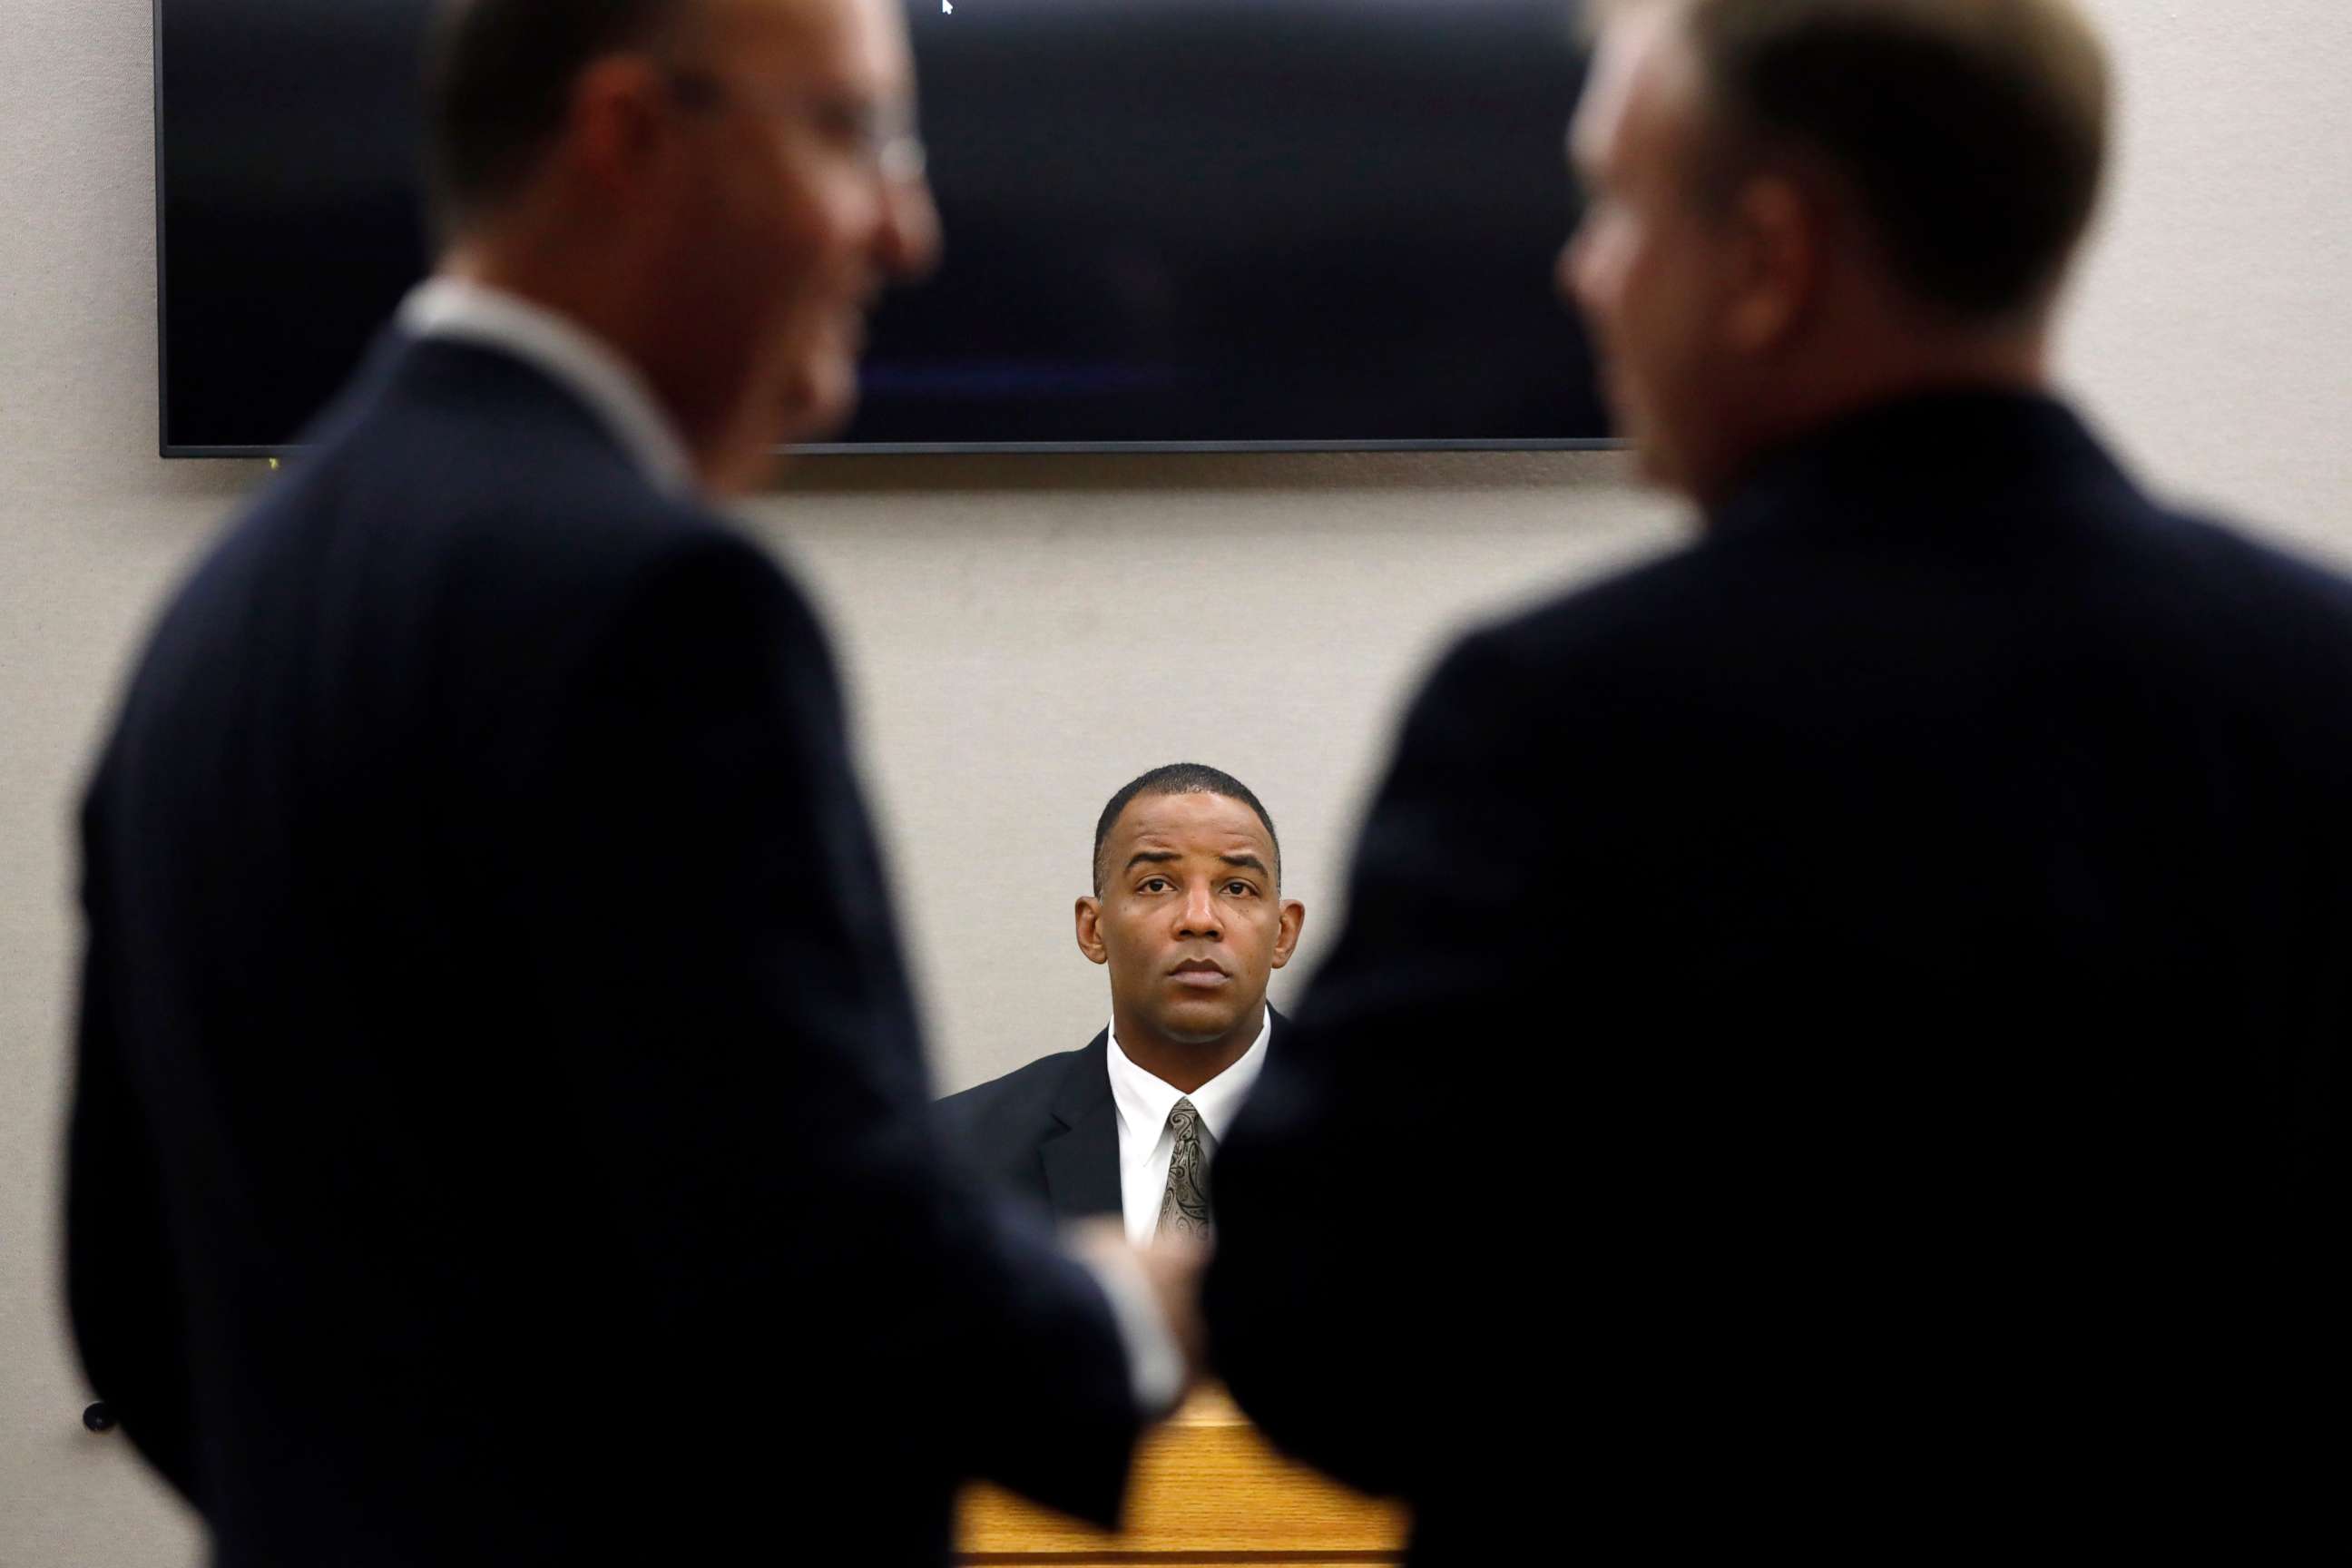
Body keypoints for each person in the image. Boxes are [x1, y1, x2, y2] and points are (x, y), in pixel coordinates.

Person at [1204, 0, 2352, 1554]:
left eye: (1613, 204)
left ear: (1768, 258)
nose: (1579, 271)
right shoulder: (2311, 675)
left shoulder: (1559, 716)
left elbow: (1323, 1336)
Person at [67, 3, 1194, 1562]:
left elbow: (127, 1295)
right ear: (628, 137)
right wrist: (1169, 1300)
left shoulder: (216, 618)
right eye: (852, 135)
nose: (908, 228)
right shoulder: (652, 608)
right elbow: (826, 1285)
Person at [941, 765, 1304, 1240]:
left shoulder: (1402, 1138)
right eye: (1156, 884)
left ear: (1283, 934)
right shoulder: (955, 1154)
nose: (1200, 919)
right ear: (1093, 929)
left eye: (1236, 887)